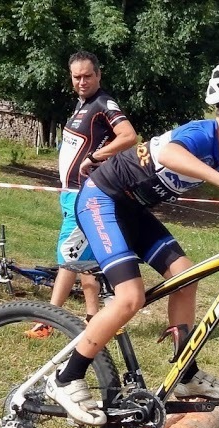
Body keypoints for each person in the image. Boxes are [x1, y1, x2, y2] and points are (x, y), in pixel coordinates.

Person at [45, 63, 219, 425]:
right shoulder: (201, 134)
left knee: (186, 276)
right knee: (130, 297)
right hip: (101, 200)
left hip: (129, 210)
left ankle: (185, 372)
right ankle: (66, 378)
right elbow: (170, 155)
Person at [25, 50, 138, 339]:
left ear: (98, 75)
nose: (82, 81)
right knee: (85, 258)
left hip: (85, 194)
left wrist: (96, 157)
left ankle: (47, 321)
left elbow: (129, 136)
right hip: (71, 192)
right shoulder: (81, 104)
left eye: (88, 76)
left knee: (68, 256)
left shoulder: (103, 103)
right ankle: (93, 316)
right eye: (77, 77)